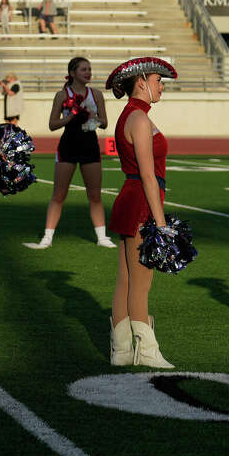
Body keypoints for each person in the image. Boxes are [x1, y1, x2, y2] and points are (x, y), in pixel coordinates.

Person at [106, 57, 178, 369]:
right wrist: (160, 223)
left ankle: (121, 351)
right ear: (141, 83)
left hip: (131, 197)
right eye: (157, 80)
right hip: (140, 202)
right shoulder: (138, 118)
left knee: (126, 279)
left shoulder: (132, 115)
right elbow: (149, 176)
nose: (161, 86)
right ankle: (146, 352)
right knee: (140, 282)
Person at [27, 56, 115, 250]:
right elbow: (52, 125)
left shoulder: (97, 94)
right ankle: (47, 238)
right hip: (68, 145)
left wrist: (92, 116)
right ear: (73, 73)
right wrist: (72, 116)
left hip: (90, 145)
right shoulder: (62, 95)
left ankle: (102, 237)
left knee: (95, 195)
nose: (88, 73)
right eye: (83, 69)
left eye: (89, 69)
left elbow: (105, 123)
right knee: (59, 194)